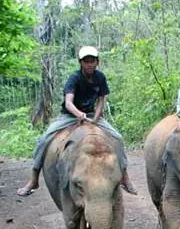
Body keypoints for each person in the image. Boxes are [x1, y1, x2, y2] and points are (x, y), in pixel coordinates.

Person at [16, 46, 137, 196]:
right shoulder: (74, 78)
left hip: (92, 115)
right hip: (69, 115)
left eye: (92, 60)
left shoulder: (100, 77)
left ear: (97, 62)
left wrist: (96, 117)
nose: (90, 64)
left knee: (117, 137)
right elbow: (68, 103)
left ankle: (124, 176)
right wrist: (79, 115)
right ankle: (33, 179)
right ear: (81, 62)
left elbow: (101, 100)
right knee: (44, 139)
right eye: (86, 61)